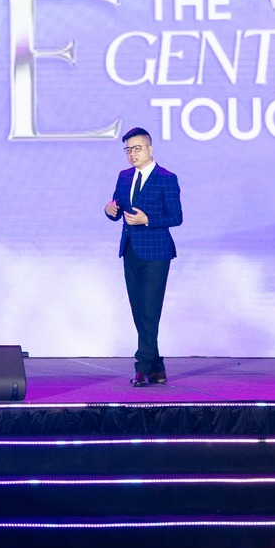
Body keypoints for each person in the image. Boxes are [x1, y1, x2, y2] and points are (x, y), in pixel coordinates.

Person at [102, 126, 182, 386]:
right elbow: (118, 209)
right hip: (130, 250)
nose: (132, 154)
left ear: (150, 149)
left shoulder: (166, 178)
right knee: (139, 310)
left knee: (150, 310)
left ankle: (142, 366)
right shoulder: (124, 177)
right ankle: (157, 367)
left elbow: (176, 217)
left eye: (137, 149)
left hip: (157, 253)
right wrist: (110, 211)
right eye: (128, 150)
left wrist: (148, 219)